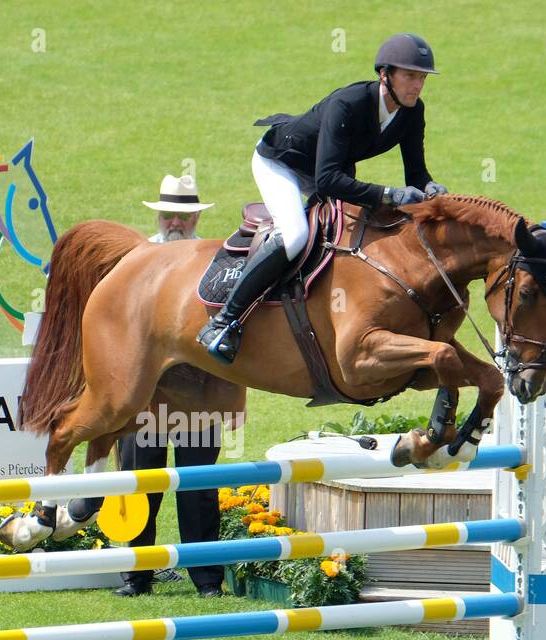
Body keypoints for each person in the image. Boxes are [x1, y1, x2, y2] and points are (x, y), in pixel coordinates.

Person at [197, 32, 450, 365]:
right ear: (384, 74)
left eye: (421, 78)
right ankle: (223, 322)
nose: (416, 85)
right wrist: (388, 195)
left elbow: (416, 175)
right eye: (409, 76)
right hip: (281, 162)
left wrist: (431, 189)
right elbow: (327, 180)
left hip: (329, 169)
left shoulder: (412, 112)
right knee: (295, 235)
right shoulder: (349, 103)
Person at [115, 174, 226, 599]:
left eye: (183, 214)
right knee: (139, 480)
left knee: (197, 485)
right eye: (169, 214)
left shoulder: (213, 262)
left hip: (196, 391)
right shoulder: (136, 260)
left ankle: (207, 580)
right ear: (159, 216)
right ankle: (136, 576)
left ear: (195, 216)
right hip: (144, 391)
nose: (175, 221)